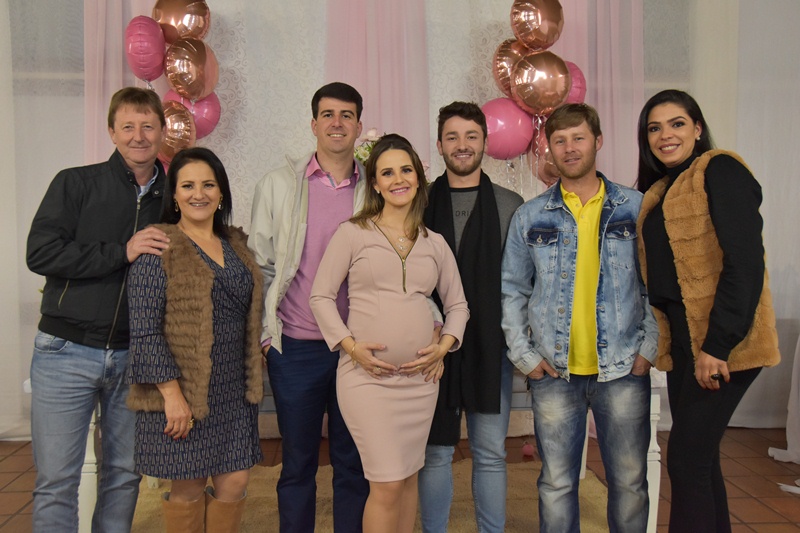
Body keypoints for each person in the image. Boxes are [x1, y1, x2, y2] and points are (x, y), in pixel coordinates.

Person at [501, 103, 658, 533]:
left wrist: (649, 347)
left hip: (623, 368)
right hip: (554, 373)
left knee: (629, 482)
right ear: (548, 148)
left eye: (578, 138)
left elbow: (656, 285)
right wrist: (525, 356)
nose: (569, 148)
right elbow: (512, 290)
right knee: (556, 483)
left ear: (598, 141)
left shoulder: (636, 208)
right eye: (559, 140)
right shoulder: (530, 216)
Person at [25, 87, 170, 533]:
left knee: (124, 474)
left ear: (163, 131)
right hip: (64, 351)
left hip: (134, 358)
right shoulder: (75, 183)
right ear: (111, 131)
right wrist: (121, 251)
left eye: (148, 126)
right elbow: (41, 253)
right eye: (128, 126)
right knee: (57, 481)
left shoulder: (176, 196)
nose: (138, 136)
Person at [635, 89, 780, 532]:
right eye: (655, 128)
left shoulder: (720, 169)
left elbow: (745, 263)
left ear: (698, 128)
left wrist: (717, 346)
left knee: (685, 460)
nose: (665, 135)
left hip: (723, 342)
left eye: (677, 123)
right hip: (684, 342)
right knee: (699, 459)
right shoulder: (660, 191)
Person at [309, 133, 469, 533]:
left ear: (418, 178)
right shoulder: (353, 233)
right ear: (375, 184)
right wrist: (351, 347)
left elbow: (458, 306)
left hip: (419, 383)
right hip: (367, 380)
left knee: (409, 477)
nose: (398, 179)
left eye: (406, 170)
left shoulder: (435, 243)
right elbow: (320, 296)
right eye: (387, 173)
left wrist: (443, 347)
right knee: (387, 484)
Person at [248, 82, 371, 532]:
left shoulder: (375, 188)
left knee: (353, 463)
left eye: (346, 115)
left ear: (359, 125)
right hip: (295, 347)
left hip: (356, 348)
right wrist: (267, 337)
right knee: (297, 463)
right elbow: (260, 265)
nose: (337, 123)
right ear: (313, 123)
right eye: (328, 114)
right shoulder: (278, 185)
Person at [126, 147, 264, 533]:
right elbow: (145, 331)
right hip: (184, 389)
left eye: (208, 185)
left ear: (221, 193)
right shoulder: (159, 248)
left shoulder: (236, 245)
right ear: (174, 194)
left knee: (235, 481)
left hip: (233, 388)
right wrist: (172, 396)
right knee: (187, 485)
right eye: (187, 186)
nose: (198, 194)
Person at [418, 101, 523, 533]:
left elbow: (519, 282)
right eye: (453, 137)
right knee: (435, 452)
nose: (462, 145)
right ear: (439, 144)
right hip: (431, 347)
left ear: (485, 142)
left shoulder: (509, 204)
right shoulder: (419, 201)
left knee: (491, 453)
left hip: (489, 348)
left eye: (471, 136)